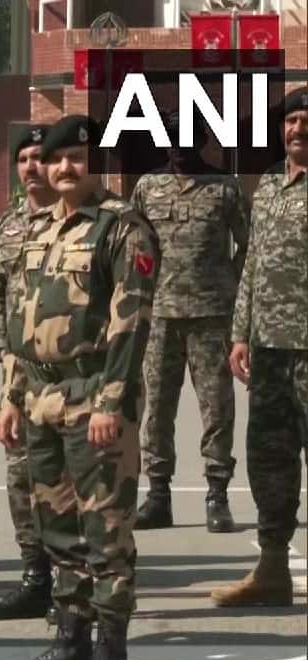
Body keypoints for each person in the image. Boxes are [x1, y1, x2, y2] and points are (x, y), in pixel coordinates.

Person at [0, 115, 157, 660]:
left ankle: (112, 655)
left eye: (78, 159)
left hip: (94, 398)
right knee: (58, 528)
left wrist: (111, 403)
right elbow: (22, 322)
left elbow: (131, 324)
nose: (65, 168)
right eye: (56, 158)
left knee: (105, 530)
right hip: (41, 398)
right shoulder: (38, 229)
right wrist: (13, 395)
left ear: (99, 164)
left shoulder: (123, 229)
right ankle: (71, 641)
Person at [210, 86, 308, 608]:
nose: (297, 129)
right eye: (291, 121)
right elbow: (251, 263)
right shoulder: (268, 184)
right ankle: (272, 570)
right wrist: (241, 331)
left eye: (305, 121)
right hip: (270, 351)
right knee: (269, 460)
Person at [131, 111, 249, 532]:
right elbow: (134, 247)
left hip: (211, 317)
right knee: (157, 408)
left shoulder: (224, 188)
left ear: (203, 140)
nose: (178, 146)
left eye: (186, 138)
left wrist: (228, 282)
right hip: (159, 317)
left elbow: (247, 246)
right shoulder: (147, 187)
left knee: (216, 408)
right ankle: (158, 495)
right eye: (170, 138)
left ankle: (217, 494)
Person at [0, 124, 58, 620]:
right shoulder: (8, 227)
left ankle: (77, 584)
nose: (31, 167)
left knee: (69, 478)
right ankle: (35, 575)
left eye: (39, 157)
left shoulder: (90, 222)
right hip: (18, 373)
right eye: (24, 158)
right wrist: (0, 349)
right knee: (20, 475)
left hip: (71, 373)